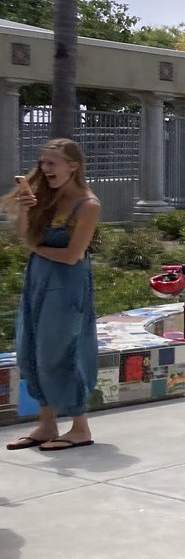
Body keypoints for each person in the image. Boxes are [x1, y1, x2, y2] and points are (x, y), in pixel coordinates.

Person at [3, 139, 100, 451]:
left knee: (61, 351)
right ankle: (46, 424)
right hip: (39, 279)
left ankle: (79, 427)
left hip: (67, 283)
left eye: (52, 163)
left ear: (73, 166)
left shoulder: (87, 205)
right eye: (43, 163)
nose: (45, 170)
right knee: (29, 349)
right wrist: (24, 210)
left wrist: (35, 249)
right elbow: (25, 235)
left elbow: (73, 256)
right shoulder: (44, 198)